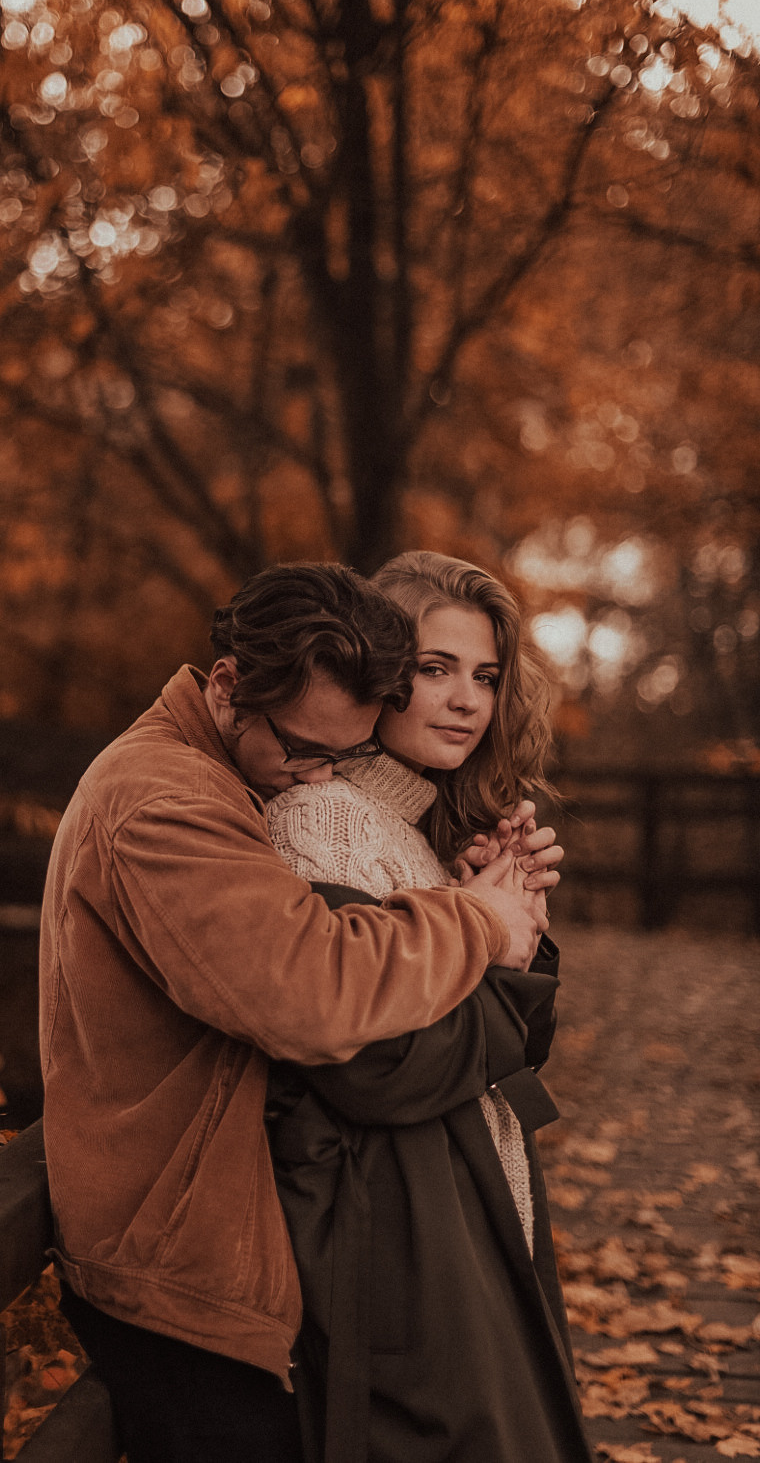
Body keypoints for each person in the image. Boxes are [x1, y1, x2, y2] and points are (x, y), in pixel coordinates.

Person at [39, 561, 555, 1463]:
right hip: (173, 1255)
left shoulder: (224, 774)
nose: (315, 775)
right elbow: (309, 992)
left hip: (212, 1232)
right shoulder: (164, 801)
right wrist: (476, 920)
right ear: (231, 687)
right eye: (305, 748)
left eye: (340, 752)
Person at [265, 550, 593, 1463]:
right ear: (379, 673)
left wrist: (515, 920)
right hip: (400, 1221)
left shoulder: (409, 832)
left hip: (464, 1194)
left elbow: (511, 1051)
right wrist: (495, 944)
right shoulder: (324, 825)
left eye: (484, 677)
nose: (466, 700)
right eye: (436, 669)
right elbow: (377, 1058)